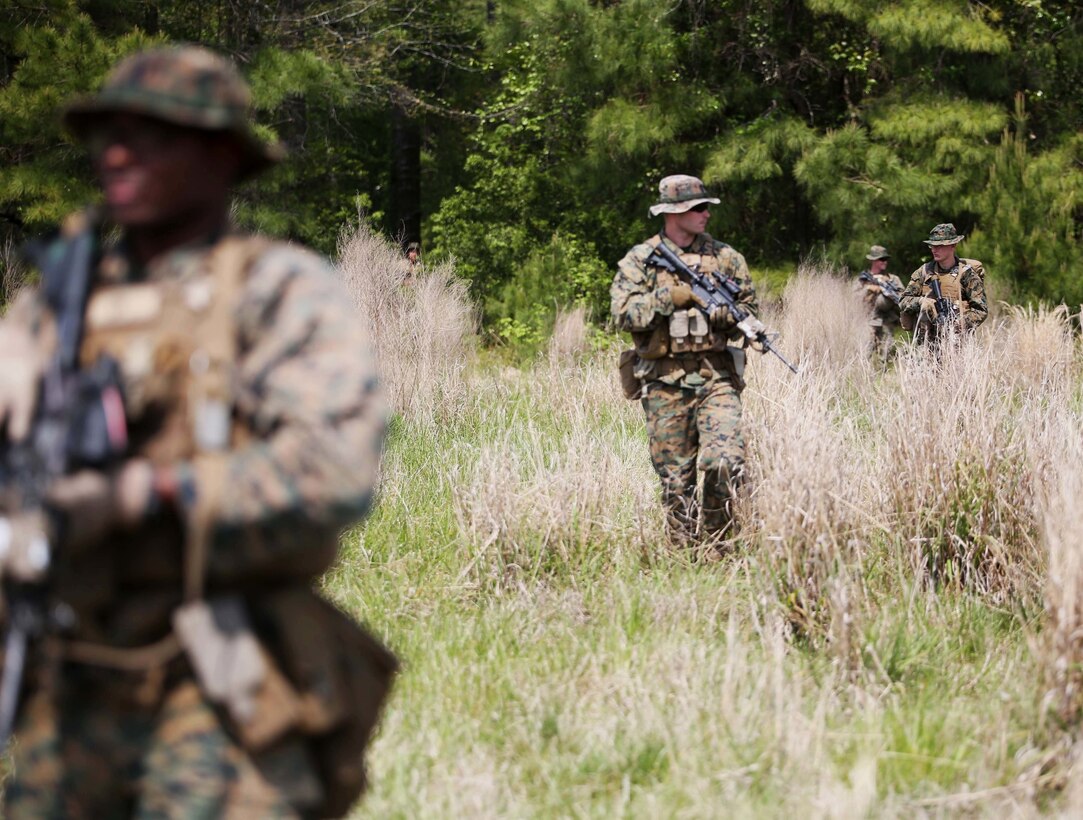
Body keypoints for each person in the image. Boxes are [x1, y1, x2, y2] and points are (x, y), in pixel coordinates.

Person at [0, 46, 395, 817]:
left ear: (220, 155)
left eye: (148, 134)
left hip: (218, 666)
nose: (115, 152)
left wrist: (138, 495)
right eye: (107, 133)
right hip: (66, 675)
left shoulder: (276, 289)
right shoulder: (54, 308)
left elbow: (334, 472)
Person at [611, 174, 763, 549]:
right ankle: (685, 554)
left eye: (706, 207)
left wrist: (732, 316)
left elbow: (749, 307)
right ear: (673, 214)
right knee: (676, 482)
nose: (705, 214)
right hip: (663, 383)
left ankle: (721, 545)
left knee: (725, 461)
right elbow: (622, 314)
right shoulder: (641, 261)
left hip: (717, 379)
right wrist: (669, 297)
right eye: (697, 208)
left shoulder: (726, 258)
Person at [899, 223, 988, 344]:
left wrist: (958, 324)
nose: (935, 249)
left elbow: (981, 310)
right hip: (926, 345)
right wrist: (921, 302)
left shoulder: (967, 274)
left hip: (956, 344)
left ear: (953, 245)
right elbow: (903, 301)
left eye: (940, 245)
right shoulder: (924, 272)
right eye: (932, 245)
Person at [857, 244, 904, 363]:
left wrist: (887, 292)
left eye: (886, 259)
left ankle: (883, 373)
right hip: (869, 319)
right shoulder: (863, 279)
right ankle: (865, 373)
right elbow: (855, 298)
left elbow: (902, 296)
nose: (885, 262)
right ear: (873, 260)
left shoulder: (893, 279)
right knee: (867, 348)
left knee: (886, 350)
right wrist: (869, 289)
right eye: (882, 259)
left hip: (888, 320)